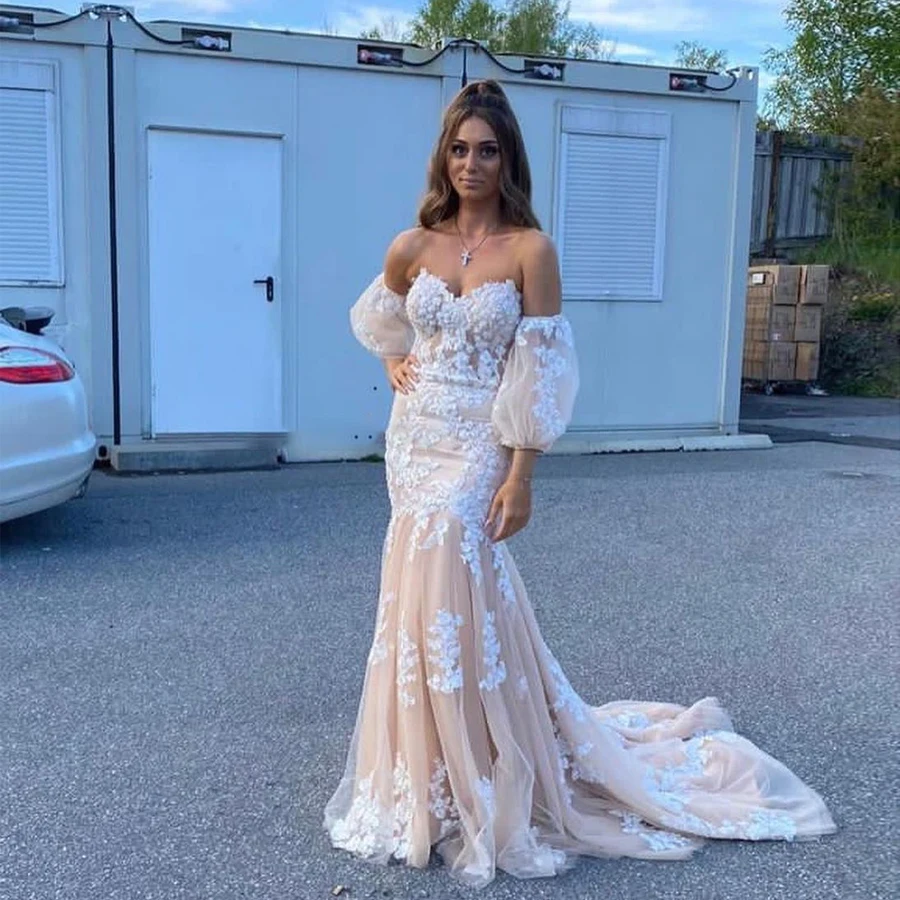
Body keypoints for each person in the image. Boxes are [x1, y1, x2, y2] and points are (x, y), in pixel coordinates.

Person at [324, 80, 836, 888]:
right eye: (459, 149)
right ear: (442, 158)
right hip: (415, 440)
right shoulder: (412, 244)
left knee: (455, 561)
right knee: (419, 589)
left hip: (479, 441)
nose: (470, 163)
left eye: (487, 150)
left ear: (508, 159)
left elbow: (540, 369)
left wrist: (521, 473)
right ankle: (429, 773)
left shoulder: (531, 251)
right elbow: (378, 319)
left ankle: (490, 762)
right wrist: (394, 358)